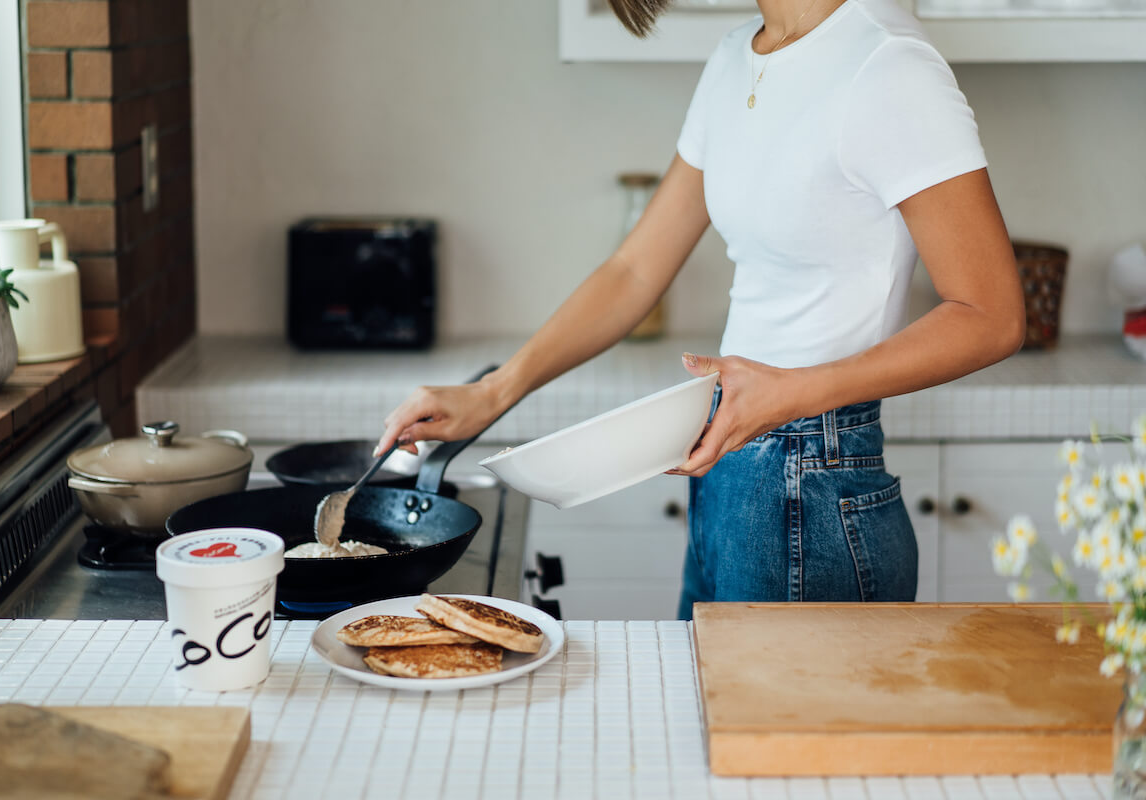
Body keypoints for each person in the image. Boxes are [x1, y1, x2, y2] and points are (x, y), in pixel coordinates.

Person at [376, 0, 1025, 618]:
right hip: (728, 461)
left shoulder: (888, 65)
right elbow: (633, 271)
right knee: (715, 724)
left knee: (779, 734)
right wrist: (492, 393)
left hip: (812, 476)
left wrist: (793, 393)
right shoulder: (736, 58)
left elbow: (991, 314)